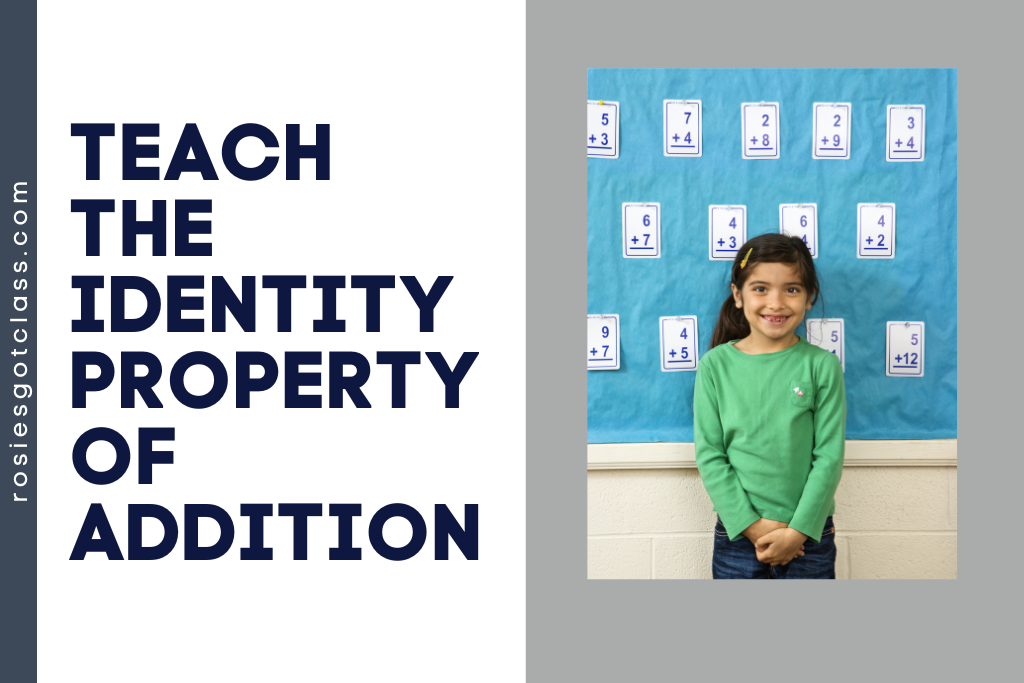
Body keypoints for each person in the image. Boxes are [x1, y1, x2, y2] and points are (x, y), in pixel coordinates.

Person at [693, 233, 846, 579]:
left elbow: (829, 458)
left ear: (810, 298)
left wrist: (797, 532)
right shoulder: (714, 366)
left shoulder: (822, 366)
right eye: (760, 288)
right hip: (739, 537)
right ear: (737, 295)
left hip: (809, 538)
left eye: (791, 289)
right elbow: (710, 455)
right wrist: (754, 527)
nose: (776, 302)